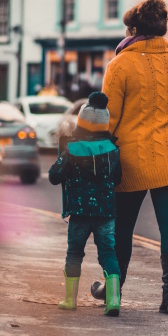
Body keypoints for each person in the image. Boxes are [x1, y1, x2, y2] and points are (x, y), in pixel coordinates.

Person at [92, 0, 168, 315]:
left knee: (121, 228)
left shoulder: (120, 65)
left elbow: (107, 120)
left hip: (131, 159)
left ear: (134, 30)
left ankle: (114, 291)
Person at [48, 92, 123, 316]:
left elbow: (53, 176)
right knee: (108, 253)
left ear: (81, 122)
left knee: (74, 253)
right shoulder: (113, 151)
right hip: (105, 213)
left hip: (79, 213)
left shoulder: (71, 150)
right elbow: (117, 178)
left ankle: (70, 300)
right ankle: (113, 300)